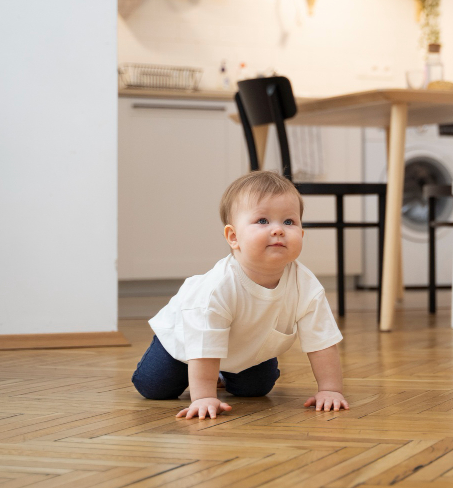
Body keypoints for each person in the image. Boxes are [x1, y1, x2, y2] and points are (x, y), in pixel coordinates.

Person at [132, 170, 349, 419]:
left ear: (301, 234)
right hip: (184, 344)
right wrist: (203, 397)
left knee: (255, 390)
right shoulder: (218, 287)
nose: (278, 230)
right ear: (233, 237)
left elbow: (322, 342)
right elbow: (204, 346)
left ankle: (222, 375)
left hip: (245, 351)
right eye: (263, 221)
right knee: (154, 388)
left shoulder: (306, 285)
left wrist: (330, 390)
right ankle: (202, 376)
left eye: (289, 222)